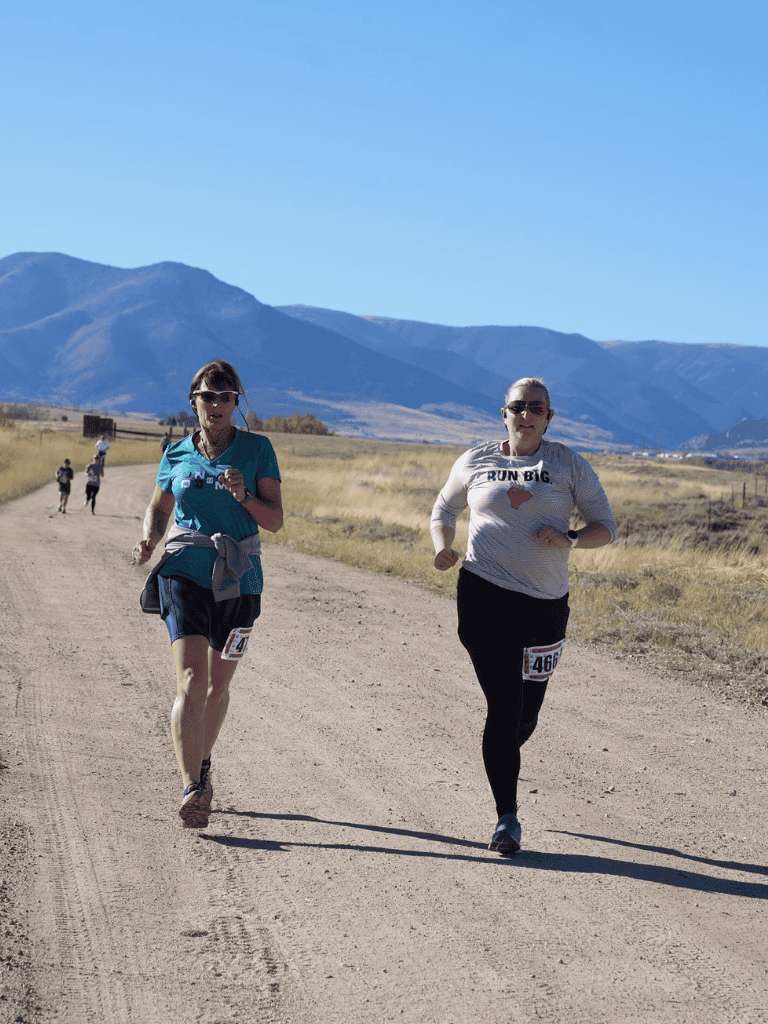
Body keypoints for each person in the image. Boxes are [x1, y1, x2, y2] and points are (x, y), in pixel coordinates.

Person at [430, 377, 617, 855]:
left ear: (549, 417)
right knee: (504, 706)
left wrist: (572, 538)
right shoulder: (475, 460)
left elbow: (605, 528)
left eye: (537, 408)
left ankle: (503, 753)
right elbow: (443, 508)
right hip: (483, 596)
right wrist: (443, 546)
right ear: (504, 413)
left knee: (525, 717)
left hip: (546, 606)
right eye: (518, 407)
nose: (526, 415)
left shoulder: (567, 463)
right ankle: (506, 820)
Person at [132, 359, 283, 829]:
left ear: (237, 404)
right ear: (193, 402)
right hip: (184, 570)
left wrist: (243, 498)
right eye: (207, 397)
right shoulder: (175, 453)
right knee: (192, 679)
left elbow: (275, 519)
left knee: (219, 684)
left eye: (225, 397)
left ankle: (201, 764)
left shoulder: (258, 450)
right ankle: (192, 787)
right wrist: (150, 539)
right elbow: (160, 507)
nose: (216, 405)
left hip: (240, 577)